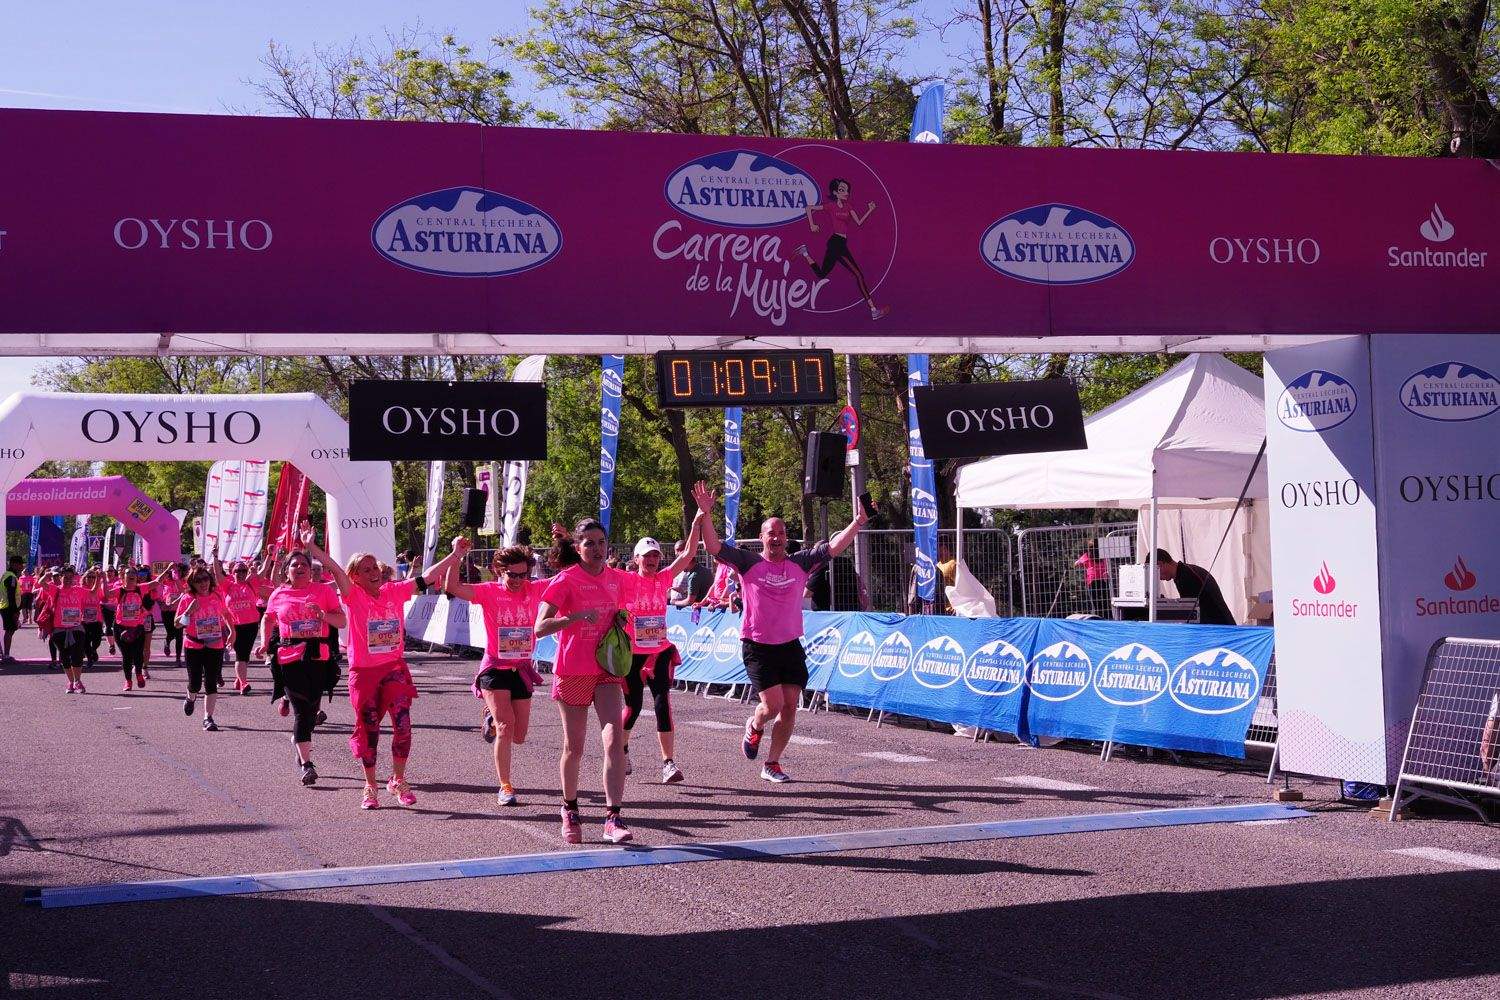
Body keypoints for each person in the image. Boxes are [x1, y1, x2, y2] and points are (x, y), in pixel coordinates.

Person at [692, 481, 868, 782]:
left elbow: (835, 546)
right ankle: (755, 726)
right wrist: (705, 513)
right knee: (771, 706)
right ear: (762, 538)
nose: (777, 537)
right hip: (757, 645)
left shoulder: (800, 563)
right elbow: (713, 547)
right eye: (771, 533)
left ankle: (772, 763)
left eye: (782, 533)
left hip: (789, 646)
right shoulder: (748, 563)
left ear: (786, 539)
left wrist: (859, 520)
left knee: (789, 707)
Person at [302, 526, 419, 810]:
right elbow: (335, 570)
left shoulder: (394, 591)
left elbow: (426, 579)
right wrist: (313, 548)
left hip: (394, 669)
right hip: (364, 675)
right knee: (370, 731)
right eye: (365, 570)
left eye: (374, 567)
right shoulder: (353, 596)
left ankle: (398, 781)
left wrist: (455, 555)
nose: (373, 572)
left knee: (403, 727)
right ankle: (370, 785)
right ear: (355, 577)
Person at [534, 519, 634, 844]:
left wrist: (622, 618)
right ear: (577, 548)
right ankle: (570, 808)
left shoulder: (617, 579)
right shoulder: (566, 580)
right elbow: (540, 627)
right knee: (574, 747)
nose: (596, 548)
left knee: (613, 740)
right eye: (588, 543)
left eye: (601, 542)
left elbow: (630, 606)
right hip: (574, 670)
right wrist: (574, 617)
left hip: (606, 669)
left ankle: (613, 818)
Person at [434, 539, 546, 808]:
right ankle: (505, 786)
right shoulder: (490, 592)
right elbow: (452, 587)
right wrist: (456, 556)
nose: (518, 580)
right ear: (500, 571)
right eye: (512, 575)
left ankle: (491, 717)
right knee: (506, 728)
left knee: (519, 736)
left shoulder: (536, 589)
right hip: (494, 669)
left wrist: (565, 542)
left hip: (521, 670)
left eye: (523, 574)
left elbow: (569, 578)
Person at [623, 518, 704, 785]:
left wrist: (698, 520)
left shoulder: (664, 578)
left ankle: (668, 763)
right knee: (633, 707)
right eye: (646, 556)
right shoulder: (625, 581)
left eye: (656, 555)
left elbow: (690, 553)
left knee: (662, 704)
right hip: (631, 655)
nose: (652, 560)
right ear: (636, 559)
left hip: (659, 652)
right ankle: (622, 751)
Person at [256, 549, 347, 787]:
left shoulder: (323, 591)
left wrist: (323, 614)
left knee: (311, 710)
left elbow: (341, 621)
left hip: (318, 657)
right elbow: (268, 618)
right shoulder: (279, 593)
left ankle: (299, 741)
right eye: (294, 564)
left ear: (311, 570)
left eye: (304, 564)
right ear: (286, 571)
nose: (300, 567)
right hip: (289, 657)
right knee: (302, 711)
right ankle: (307, 765)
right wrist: (264, 642)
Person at [794, 177, 889, 321]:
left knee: (821, 274)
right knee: (858, 275)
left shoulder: (849, 207)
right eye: (842, 190)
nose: (846, 193)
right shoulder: (831, 206)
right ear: (835, 193)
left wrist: (869, 210)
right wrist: (812, 224)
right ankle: (873, 310)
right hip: (836, 243)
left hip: (839, 243)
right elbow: (809, 208)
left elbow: (858, 222)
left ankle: (805, 252)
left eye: (847, 190)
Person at [176, 567, 231, 731]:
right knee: (195, 684)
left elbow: (225, 614)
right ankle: (190, 697)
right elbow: (177, 624)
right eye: (198, 580)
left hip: (215, 644)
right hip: (194, 645)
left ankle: (208, 718)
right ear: (192, 583)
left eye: (205, 579)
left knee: (211, 682)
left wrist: (232, 632)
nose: (203, 583)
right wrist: (188, 612)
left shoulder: (216, 595)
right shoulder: (187, 598)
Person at [215, 556, 266, 695]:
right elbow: (217, 574)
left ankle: (239, 679)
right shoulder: (227, 585)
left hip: (251, 624)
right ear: (232, 572)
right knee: (241, 654)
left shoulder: (250, 584)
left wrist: (269, 555)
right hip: (235, 626)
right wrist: (215, 557)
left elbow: (263, 571)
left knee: (245, 654)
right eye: (238, 571)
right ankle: (244, 684)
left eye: (244, 570)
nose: (241, 573)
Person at [1153, 549, 1235, 626]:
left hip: (1218, 628)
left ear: (1160, 564)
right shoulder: (1183, 572)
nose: (1159, 578)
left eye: (1156, 573)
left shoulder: (1186, 575)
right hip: (1218, 626)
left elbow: (1191, 611)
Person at [46, 566, 91, 693]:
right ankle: (71, 682)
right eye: (65, 577)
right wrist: (46, 574)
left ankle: (78, 681)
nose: (68, 580)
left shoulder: (78, 590)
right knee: (65, 658)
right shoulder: (56, 590)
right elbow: (41, 583)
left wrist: (100, 579)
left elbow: (93, 591)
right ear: (60, 577)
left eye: (71, 577)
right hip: (59, 629)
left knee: (77, 655)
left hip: (76, 628)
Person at [112, 567, 153, 691]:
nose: (130, 575)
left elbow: (156, 583)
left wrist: (167, 569)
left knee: (138, 653)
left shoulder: (141, 588)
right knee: (126, 656)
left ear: (136, 577)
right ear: (123, 577)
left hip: (137, 627)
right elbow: (106, 595)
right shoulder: (119, 591)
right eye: (127, 573)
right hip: (121, 627)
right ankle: (128, 681)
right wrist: (101, 578)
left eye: (133, 574)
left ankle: (139, 674)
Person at [154, 564, 187, 664]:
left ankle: (178, 658)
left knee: (179, 635)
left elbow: (184, 593)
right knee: (171, 632)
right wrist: (161, 603)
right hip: (166, 611)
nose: (176, 573)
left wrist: (175, 602)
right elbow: (156, 593)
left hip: (179, 612)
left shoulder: (183, 582)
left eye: (178, 571)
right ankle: (167, 641)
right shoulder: (165, 582)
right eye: (175, 571)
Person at [0, 555, 21, 663]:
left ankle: (5, 654)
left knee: (10, 630)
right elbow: (11, 595)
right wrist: (15, 611)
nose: (21, 567)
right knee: (9, 631)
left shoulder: (6, 575)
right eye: (19, 564)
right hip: (9, 607)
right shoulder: (11, 577)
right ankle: (6, 656)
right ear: (13, 564)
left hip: (5, 606)